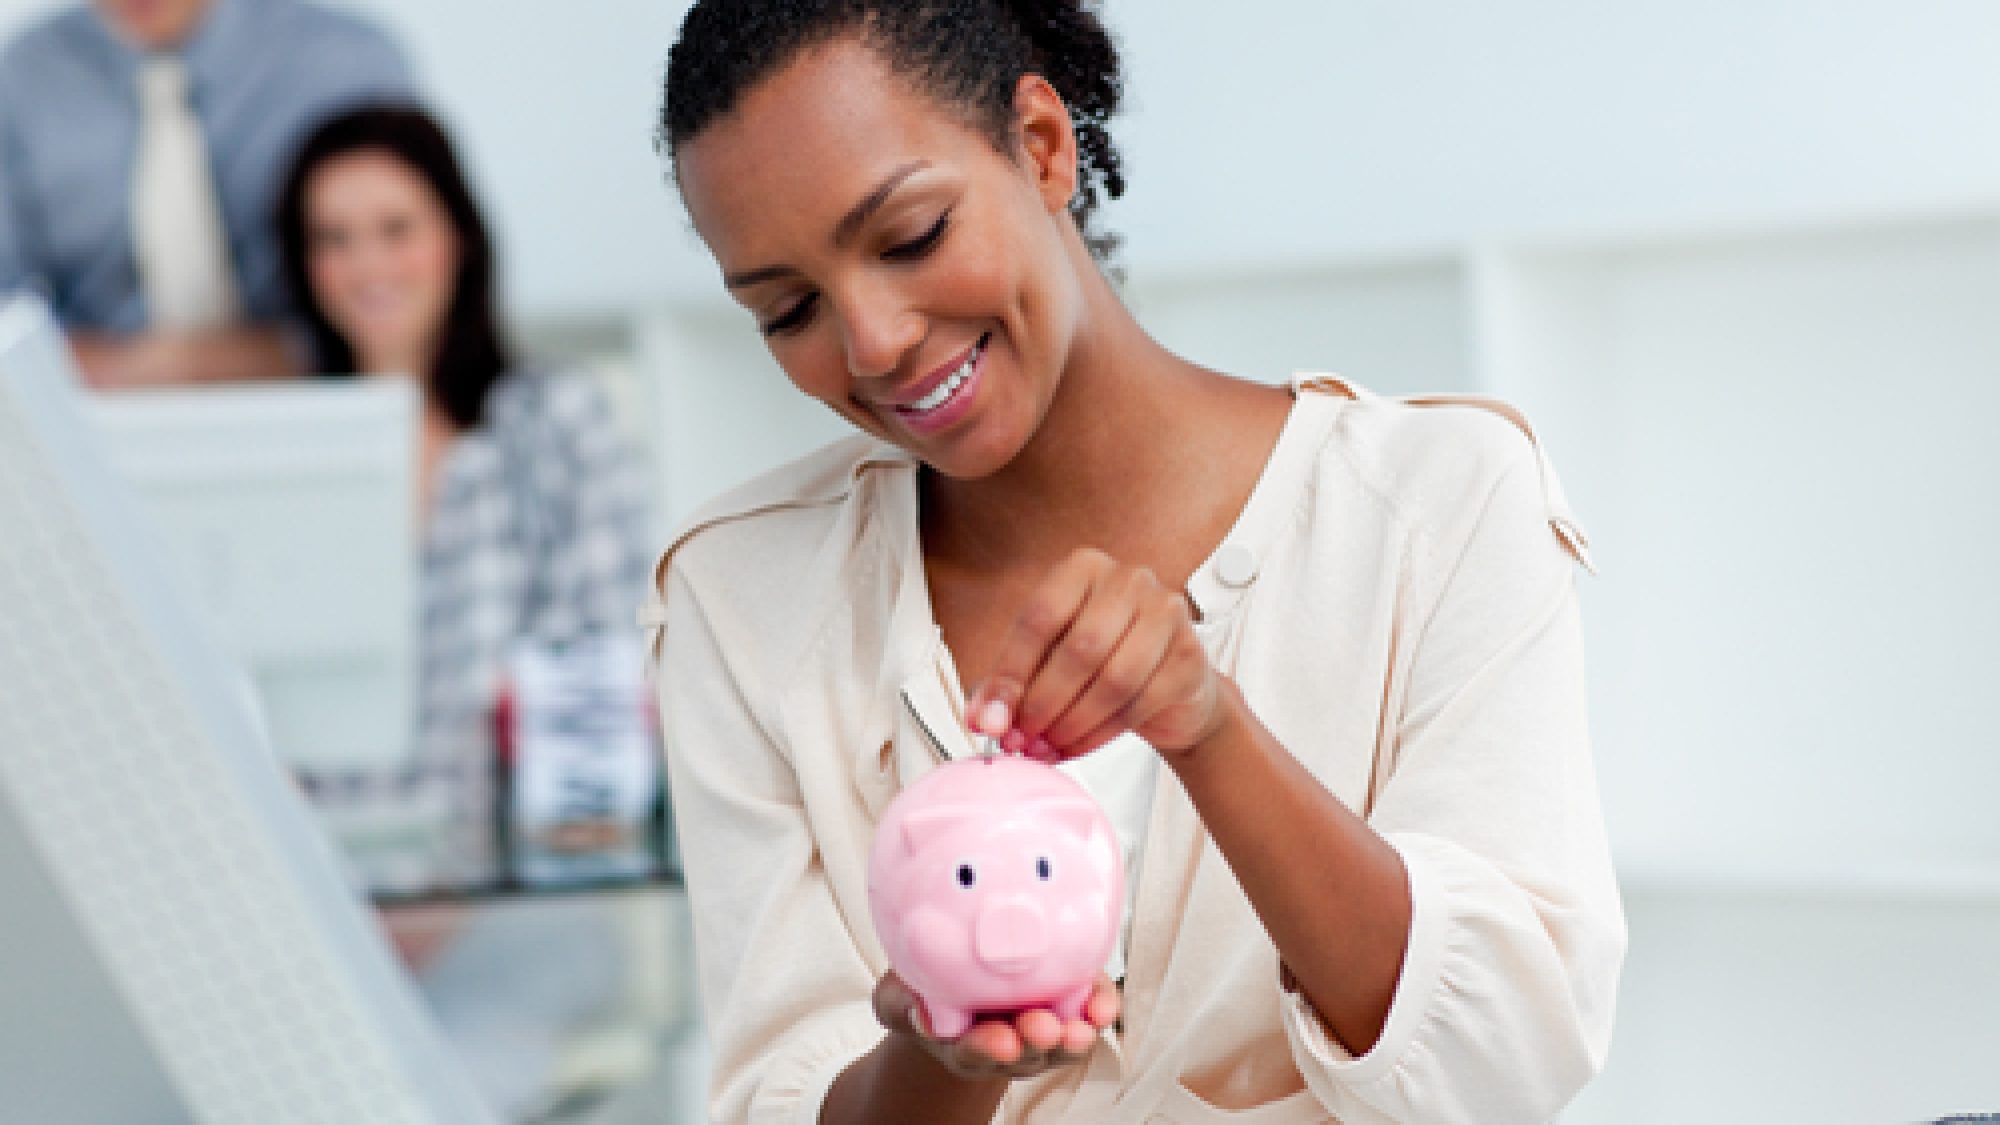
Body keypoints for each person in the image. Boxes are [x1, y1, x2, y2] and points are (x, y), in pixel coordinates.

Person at [641, 2, 1627, 1123]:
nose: (870, 342)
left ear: (1042, 147)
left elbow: (1499, 1069)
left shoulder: (1433, 505)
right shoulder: (738, 599)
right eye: (788, 309)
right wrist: (942, 1051)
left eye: (911, 236)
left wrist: (1208, 727)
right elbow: (786, 1094)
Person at [273, 103, 656, 1116]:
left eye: (394, 227)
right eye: (333, 238)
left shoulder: (551, 425)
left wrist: (433, 909)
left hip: (519, 913)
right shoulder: (281, 460)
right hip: (325, 926)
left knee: (416, 1096)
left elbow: (604, 693)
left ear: (455, 238)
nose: (367, 265)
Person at [0, 0, 414, 387]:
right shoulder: (20, 83)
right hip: (99, 426)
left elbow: (415, 290)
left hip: (327, 401)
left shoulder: (344, 66)